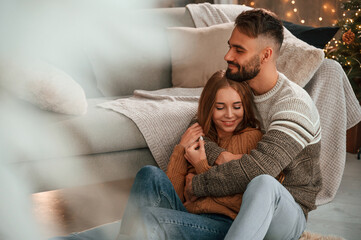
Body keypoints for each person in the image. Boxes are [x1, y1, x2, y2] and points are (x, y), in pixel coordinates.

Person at [185, 8, 322, 240]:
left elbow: (257, 170)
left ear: (266, 55)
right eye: (230, 46)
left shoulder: (294, 105)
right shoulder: (240, 86)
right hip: (234, 206)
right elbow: (198, 124)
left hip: (286, 212)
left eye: (239, 50)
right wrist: (221, 156)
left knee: (263, 184)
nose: (228, 56)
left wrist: (196, 185)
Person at [116, 70, 272, 240]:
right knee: (149, 174)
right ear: (209, 107)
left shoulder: (253, 138)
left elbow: (245, 202)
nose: (229, 114)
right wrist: (181, 148)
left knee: (149, 218)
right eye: (220, 107)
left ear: (245, 106)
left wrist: (201, 168)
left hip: (225, 226)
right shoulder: (200, 138)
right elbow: (177, 196)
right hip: (189, 218)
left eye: (237, 106)